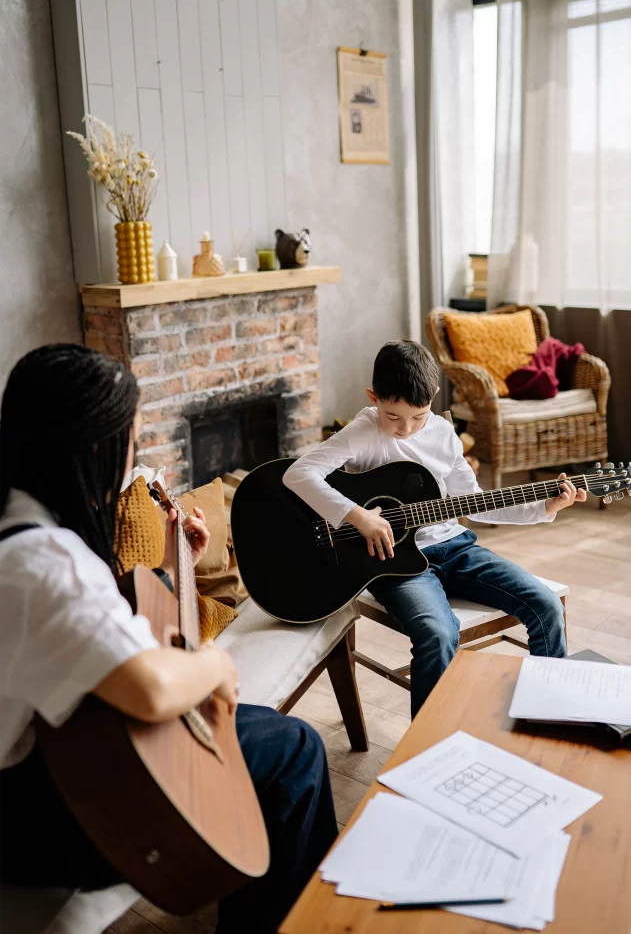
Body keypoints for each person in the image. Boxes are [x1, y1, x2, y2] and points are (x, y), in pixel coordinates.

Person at [0, 344, 336, 933]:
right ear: (95, 450)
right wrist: (213, 666)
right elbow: (152, 690)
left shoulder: (20, 524)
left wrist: (179, 569)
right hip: (35, 817)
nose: (136, 457)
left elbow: (87, 630)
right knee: (295, 750)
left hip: (43, 762)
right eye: (130, 440)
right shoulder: (42, 562)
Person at [284, 340, 586, 718]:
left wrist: (544, 508)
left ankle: (553, 716)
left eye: (418, 416)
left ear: (434, 397)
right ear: (373, 397)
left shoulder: (443, 433)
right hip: (394, 562)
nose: (405, 429)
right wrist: (356, 515)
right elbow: (299, 473)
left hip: (455, 547)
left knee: (545, 606)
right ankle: (425, 750)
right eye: (393, 416)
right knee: (439, 632)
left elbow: (477, 504)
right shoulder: (362, 432)